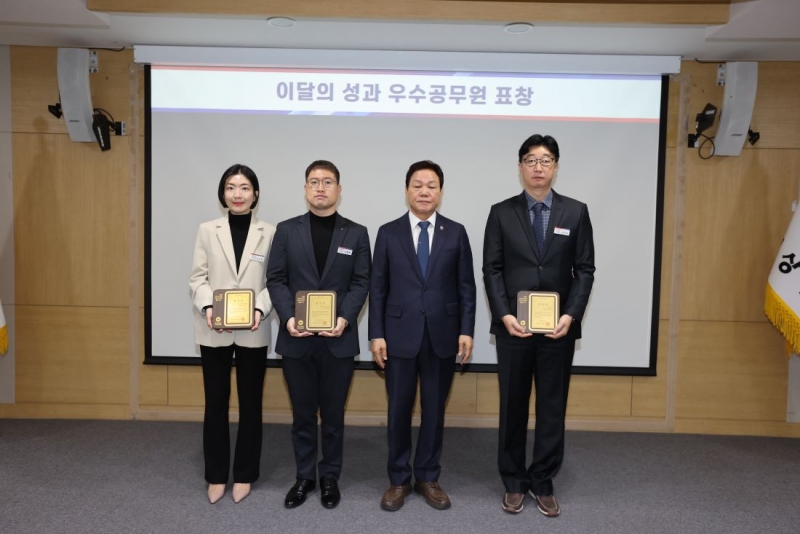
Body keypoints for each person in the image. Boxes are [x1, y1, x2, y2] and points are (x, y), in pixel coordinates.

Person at [483, 134, 595, 516]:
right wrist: (504, 314)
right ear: (520, 167)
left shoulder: (575, 212)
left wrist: (571, 314)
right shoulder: (501, 212)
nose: (538, 167)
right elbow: (492, 269)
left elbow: (585, 270)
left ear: (556, 167)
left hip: (557, 330)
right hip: (514, 329)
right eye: (531, 160)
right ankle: (514, 481)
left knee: (551, 407)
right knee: (512, 406)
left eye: (545, 160)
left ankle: (543, 481)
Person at [369, 160, 476, 512]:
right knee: (398, 410)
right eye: (417, 185)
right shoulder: (388, 232)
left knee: (434, 410)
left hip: (442, 336)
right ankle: (399, 479)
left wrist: (466, 330)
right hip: (398, 336)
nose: (424, 191)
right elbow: (378, 288)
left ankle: (428, 476)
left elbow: (466, 286)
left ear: (441, 192)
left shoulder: (455, 232)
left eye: (431, 186)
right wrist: (376, 333)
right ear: (406, 190)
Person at [266, 160, 371, 509]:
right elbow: (276, 279)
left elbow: (361, 282)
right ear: (305, 188)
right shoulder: (286, 230)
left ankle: (329, 477)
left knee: (334, 416)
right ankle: (304, 477)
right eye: (314, 181)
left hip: (338, 339)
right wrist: (288, 317)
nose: (321, 187)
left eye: (328, 182)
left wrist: (344, 318)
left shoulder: (356, 233)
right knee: (302, 415)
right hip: (296, 339)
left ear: (339, 189)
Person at [188, 164, 276, 505]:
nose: (237, 194)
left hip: (254, 328)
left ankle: (244, 474)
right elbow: (197, 278)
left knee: (251, 403)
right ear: (222, 193)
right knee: (216, 402)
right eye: (230, 187)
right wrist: (209, 307)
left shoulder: (270, 232)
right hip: (214, 328)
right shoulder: (207, 230)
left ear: (255, 193)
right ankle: (215, 474)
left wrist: (259, 310)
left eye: (244, 188)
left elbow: (275, 281)